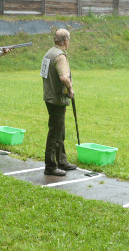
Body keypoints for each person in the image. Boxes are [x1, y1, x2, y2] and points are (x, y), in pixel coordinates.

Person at [40, 29, 77, 176]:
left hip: (49, 96)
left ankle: (62, 161)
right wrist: (71, 89)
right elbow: (64, 77)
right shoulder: (60, 56)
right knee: (55, 133)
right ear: (66, 41)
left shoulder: (48, 53)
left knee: (59, 130)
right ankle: (50, 166)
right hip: (57, 99)